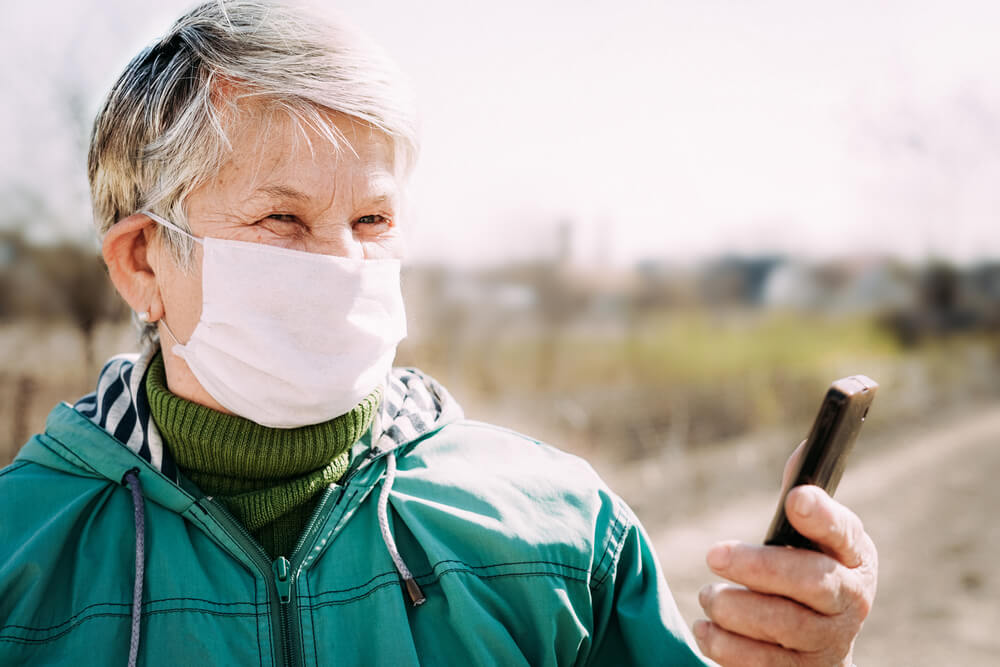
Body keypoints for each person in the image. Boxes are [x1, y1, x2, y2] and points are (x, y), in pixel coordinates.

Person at [0, 1, 876, 665]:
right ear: (143, 261)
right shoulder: (23, 555)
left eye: (373, 218)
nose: (343, 262)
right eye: (282, 219)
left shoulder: (558, 531)